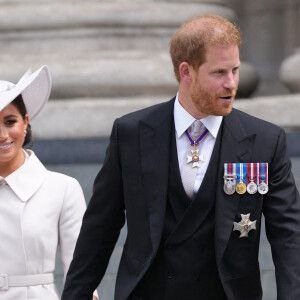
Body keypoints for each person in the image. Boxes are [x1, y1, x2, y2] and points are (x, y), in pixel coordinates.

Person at [62, 14, 300, 300]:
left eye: (235, 70)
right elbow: (100, 228)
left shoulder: (265, 140)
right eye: (219, 73)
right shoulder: (131, 133)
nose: (232, 83)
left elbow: (289, 237)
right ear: (186, 72)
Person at [0, 66, 98, 300]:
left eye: (9, 122)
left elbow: (80, 274)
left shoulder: (62, 188)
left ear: (25, 122)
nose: (3, 135)